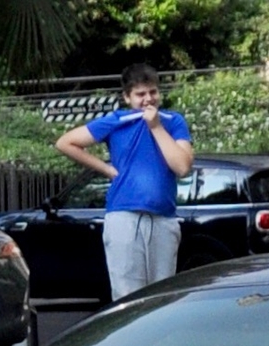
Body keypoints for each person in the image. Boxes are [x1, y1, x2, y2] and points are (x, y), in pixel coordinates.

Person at [54, 64, 195, 300]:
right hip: (124, 217)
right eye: (140, 94)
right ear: (127, 97)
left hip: (164, 219)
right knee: (127, 297)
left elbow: (182, 166)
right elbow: (65, 142)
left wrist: (156, 127)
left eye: (152, 92)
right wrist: (107, 169)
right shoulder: (117, 121)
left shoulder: (173, 121)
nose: (148, 100)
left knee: (163, 296)